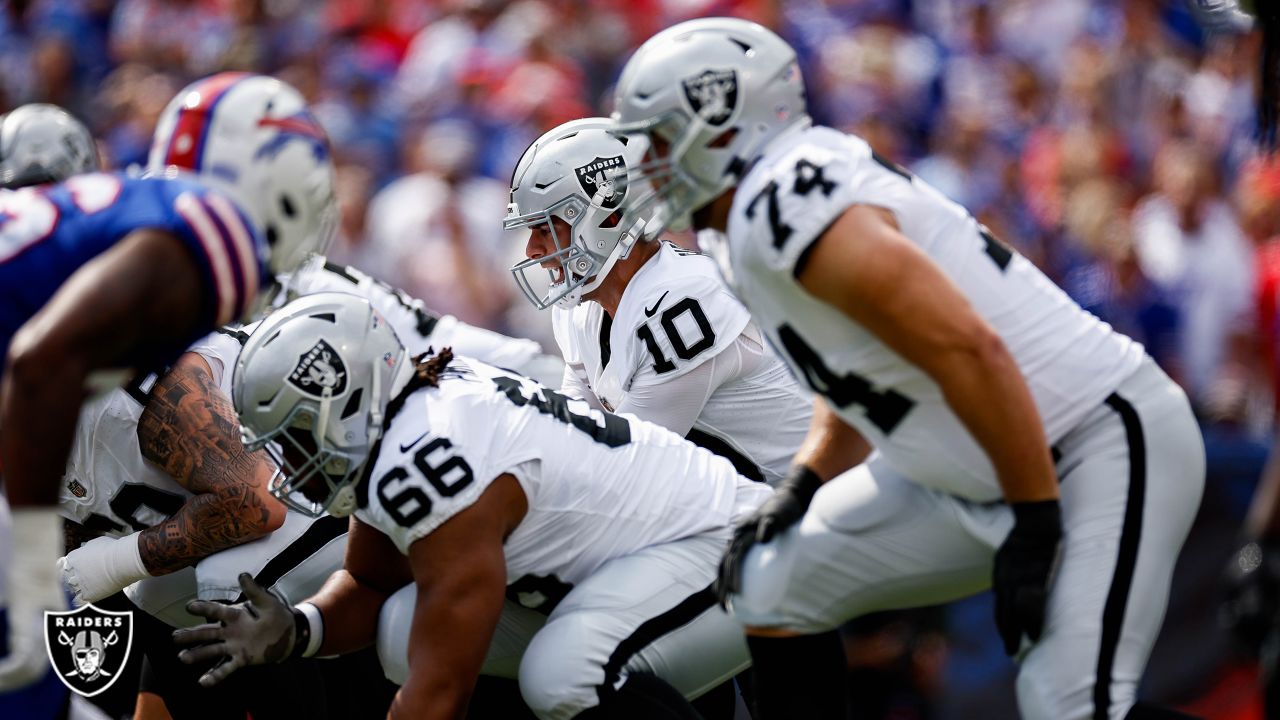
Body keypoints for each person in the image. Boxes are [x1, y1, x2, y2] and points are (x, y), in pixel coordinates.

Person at [612, 17, 1205, 720]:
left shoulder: (786, 201)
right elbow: (854, 369)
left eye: (655, 139)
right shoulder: (738, 224)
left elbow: (966, 346)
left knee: (1066, 703)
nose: (645, 165)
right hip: (970, 469)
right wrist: (803, 483)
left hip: (1090, 442)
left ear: (719, 124)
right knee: (772, 581)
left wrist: (1035, 516)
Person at [173, 292, 772, 720]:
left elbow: (438, 695)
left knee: (563, 675)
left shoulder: (429, 458)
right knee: (401, 628)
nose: (288, 459)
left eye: (295, 433)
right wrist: (300, 629)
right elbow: (368, 581)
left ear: (342, 403)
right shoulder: (404, 420)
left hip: (728, 549)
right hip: (634, 569)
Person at [0, 71, 335, 697]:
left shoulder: (124, 328)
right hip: (267, 498)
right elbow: (42, 365)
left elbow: (252, 500)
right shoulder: (190, 240)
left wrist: (81, 564)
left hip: (318, 501)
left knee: (181, 589)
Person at [505, 117, 810, 485]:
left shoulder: (684, 300)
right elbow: (573, 431)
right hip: (749, 507)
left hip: (814, 504)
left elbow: (622, 464)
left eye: (546, 228)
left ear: (609, 217)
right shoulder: (579, 310)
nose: (532, 250)